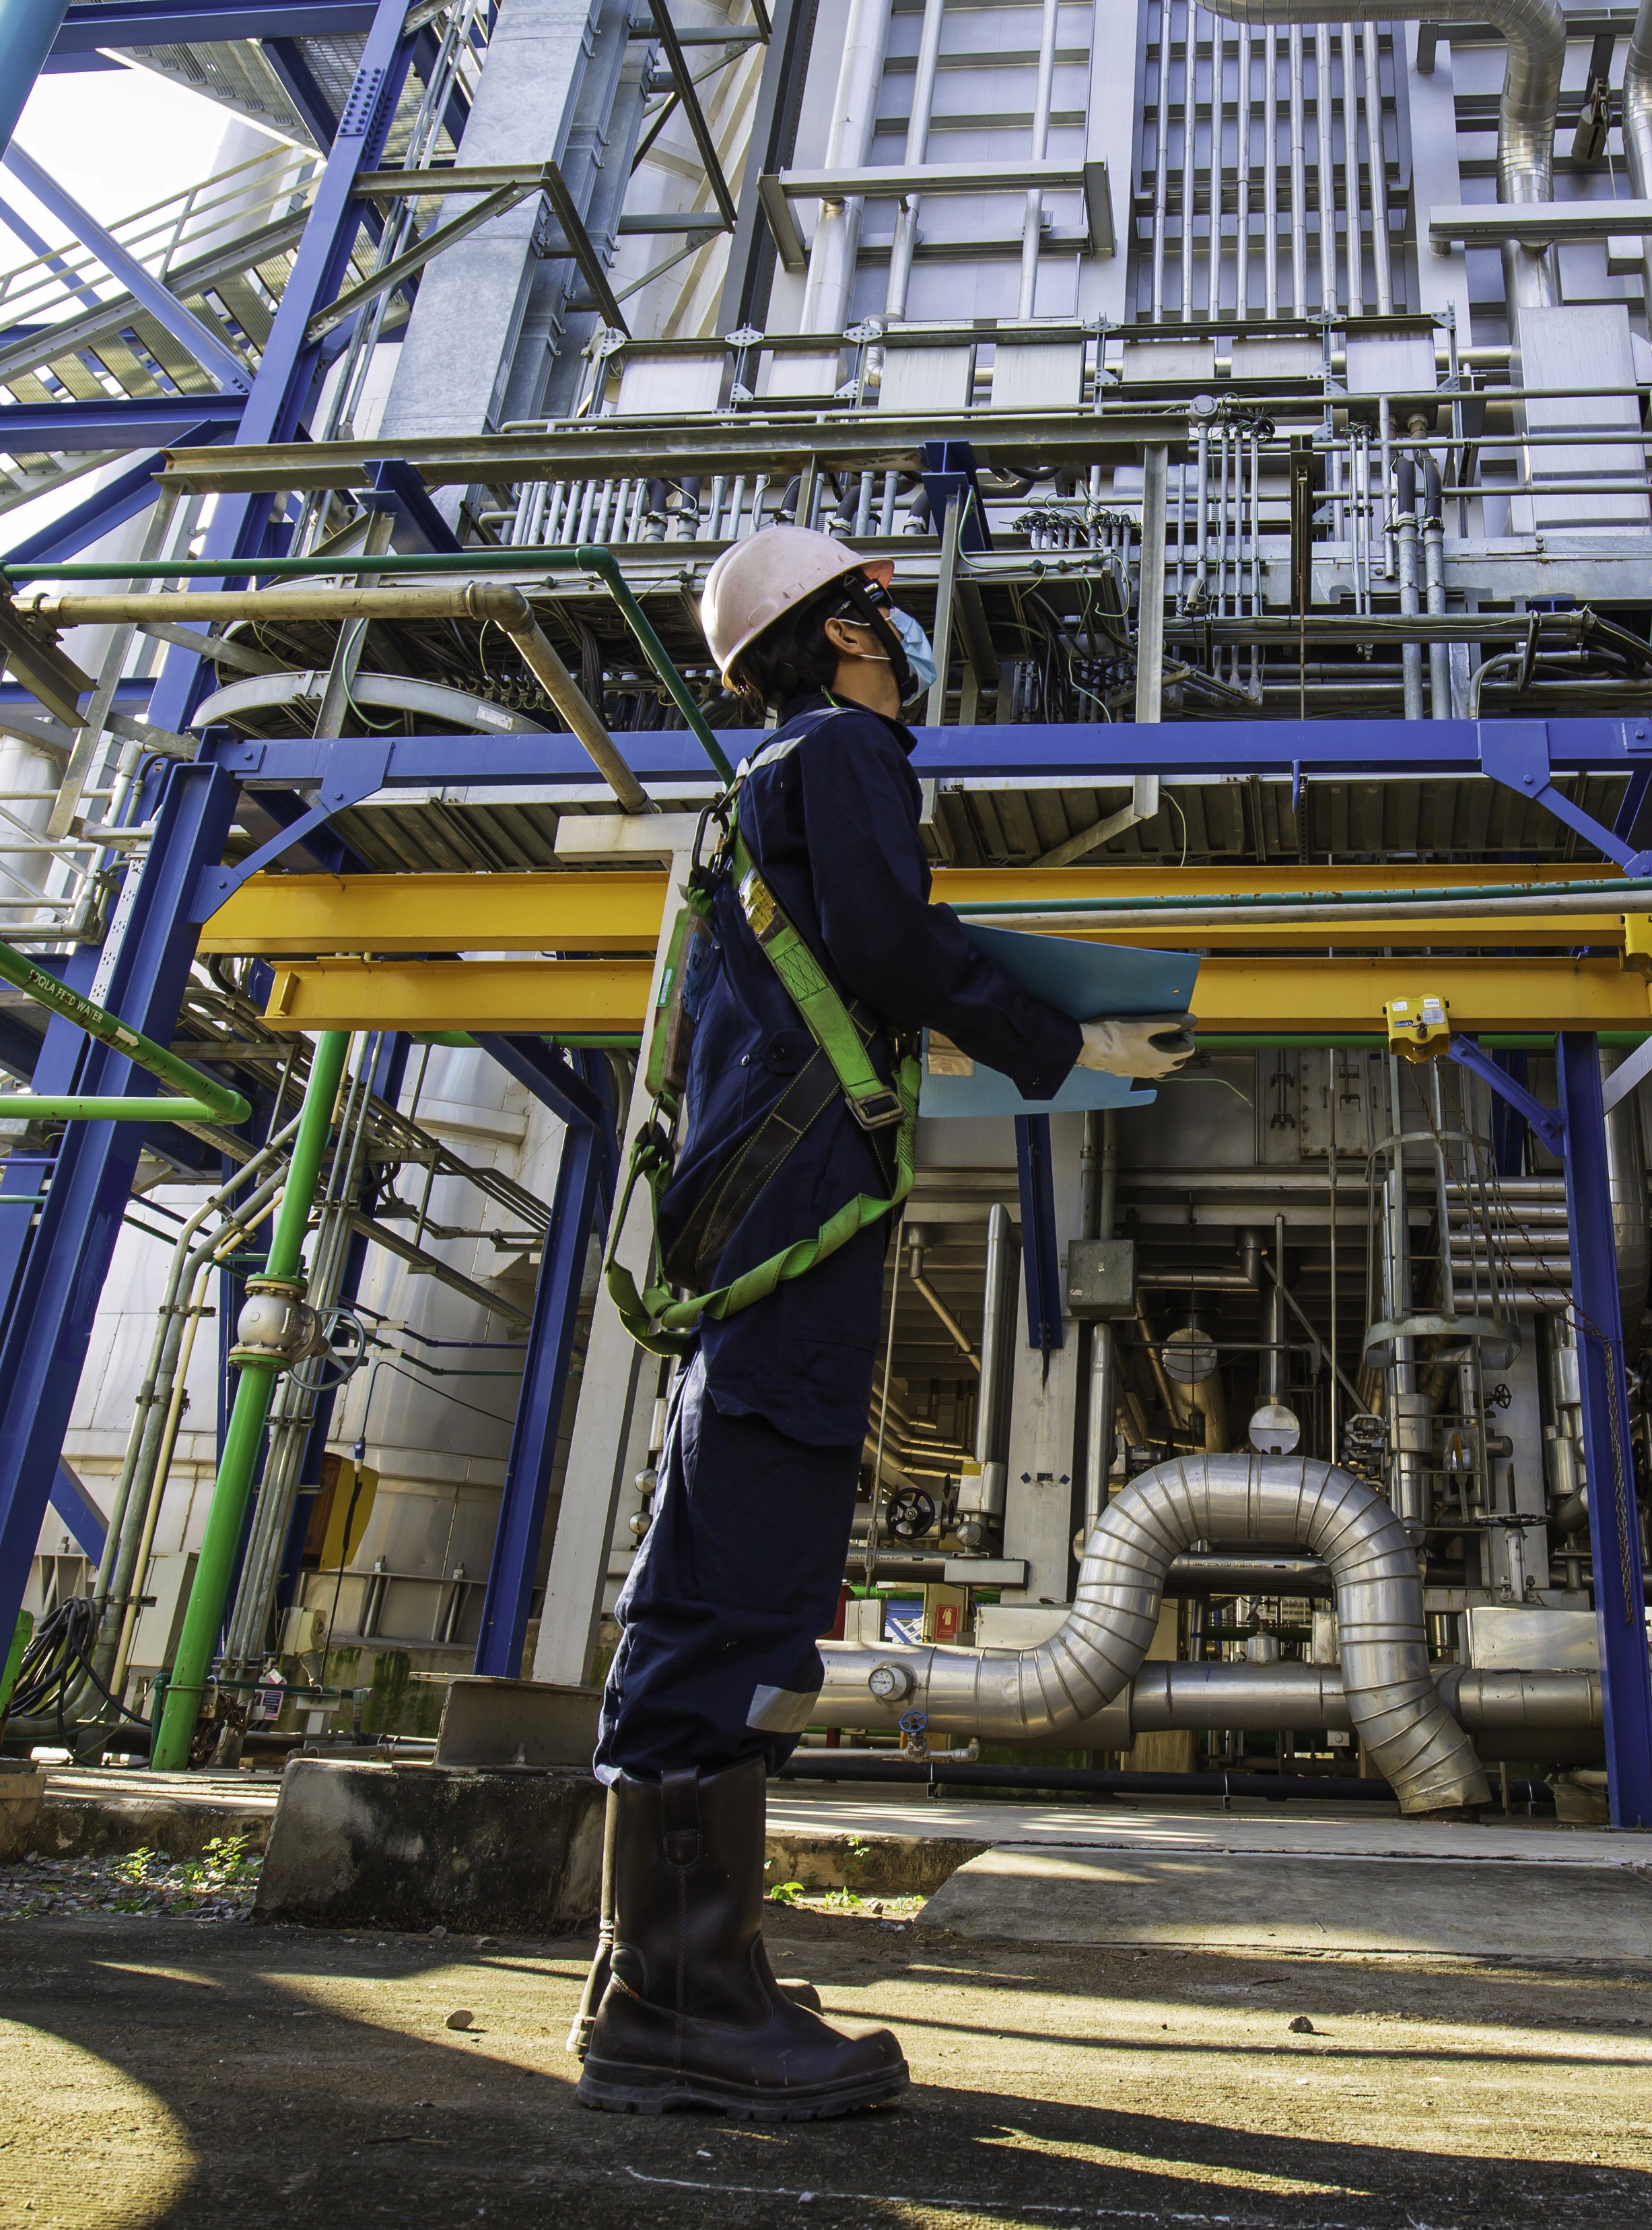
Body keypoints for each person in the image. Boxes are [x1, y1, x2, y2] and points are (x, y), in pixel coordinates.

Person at [572, 526, 1192, 2120]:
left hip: (754, 1220)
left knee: (710, 1562)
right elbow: (897, 945)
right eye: (883, 621)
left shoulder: (750, 797)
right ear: (833, 635)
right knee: (750, 1571)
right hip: (799, 1229)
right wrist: (1068, 1040)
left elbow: (842, 983)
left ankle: (663, 1983)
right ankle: (687, 2003)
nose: (904, 651)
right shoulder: (840, 752)